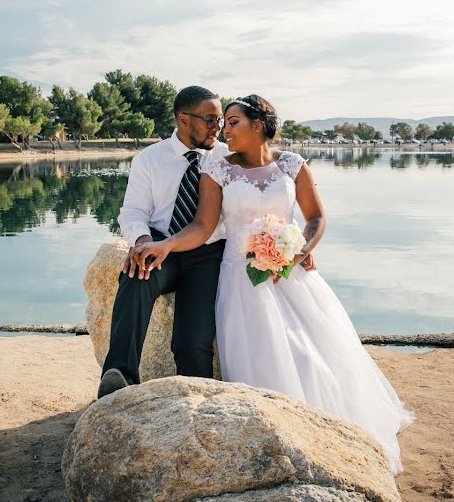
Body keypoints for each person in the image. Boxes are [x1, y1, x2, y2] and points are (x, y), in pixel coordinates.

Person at [131, 95, 415, 474]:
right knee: (262, 361)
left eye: (232, 123)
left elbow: (314, 218)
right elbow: (201, 227)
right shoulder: (217, 170)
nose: (223, 132)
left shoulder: (292, 165)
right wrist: (165, 244)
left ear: (258, 125)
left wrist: (300, 250)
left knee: (313, 357)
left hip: (291, 275)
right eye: (223, 123)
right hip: (241, 280)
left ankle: (331, 436)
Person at [96, 86, 229, 399]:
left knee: (192, 342)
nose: (217, 128)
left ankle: (194, 401)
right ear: (184, 119)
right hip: (160, 244)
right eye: (210, 120)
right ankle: (120, 378)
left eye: (220, 121)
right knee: (136, 273)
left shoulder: (226, 158)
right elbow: (133, 211)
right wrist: (142, 241)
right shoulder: (149, 159)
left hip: (207, 254)